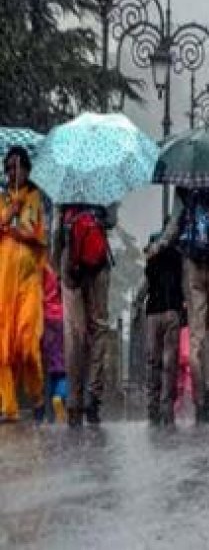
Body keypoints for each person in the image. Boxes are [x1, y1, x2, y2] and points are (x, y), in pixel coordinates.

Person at [149, 186, 209, 424]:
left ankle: (200, 400)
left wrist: (157, 246)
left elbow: (173, 228)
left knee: (197, 336)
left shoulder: (183, 189)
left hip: (192, 265)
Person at [53, 190, 117, 427]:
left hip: (70, 262)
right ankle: (94, 396)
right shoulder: (104, 182)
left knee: (73, 334)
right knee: (99, 328)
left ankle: (73, 400)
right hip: (98, 260)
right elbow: (111, 221)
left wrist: (57, 266)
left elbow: (56, 230)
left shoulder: (66, 184)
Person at [0, 147, 46, 423]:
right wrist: (9, 214)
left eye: (17, 167)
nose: (13, 173)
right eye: (9, 168)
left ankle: (37, 395)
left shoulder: (35, 198)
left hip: (28, 283)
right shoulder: (3, 199)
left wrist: (20, 231)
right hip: (3, 285)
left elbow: (40, 236)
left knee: (27, 344)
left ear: (27, 170)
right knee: (3, 347)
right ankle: (9, 407)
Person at [133, 231, 183, 427]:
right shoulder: (178, 256)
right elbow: (184, 285)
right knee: (169, 363)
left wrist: (137, 306)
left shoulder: (153, 257)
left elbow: (145, 285)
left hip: (154, 313)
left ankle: (153, 408)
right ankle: (166, 407)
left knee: (153, 361)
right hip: (171, 312)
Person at [42, 264, 67, 423]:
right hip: (61, 319)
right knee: (64, 372)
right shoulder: (59, 282)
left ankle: (49, 412)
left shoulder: (43, 272)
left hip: (45, 318)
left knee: (51, 371)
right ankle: (59, 398)